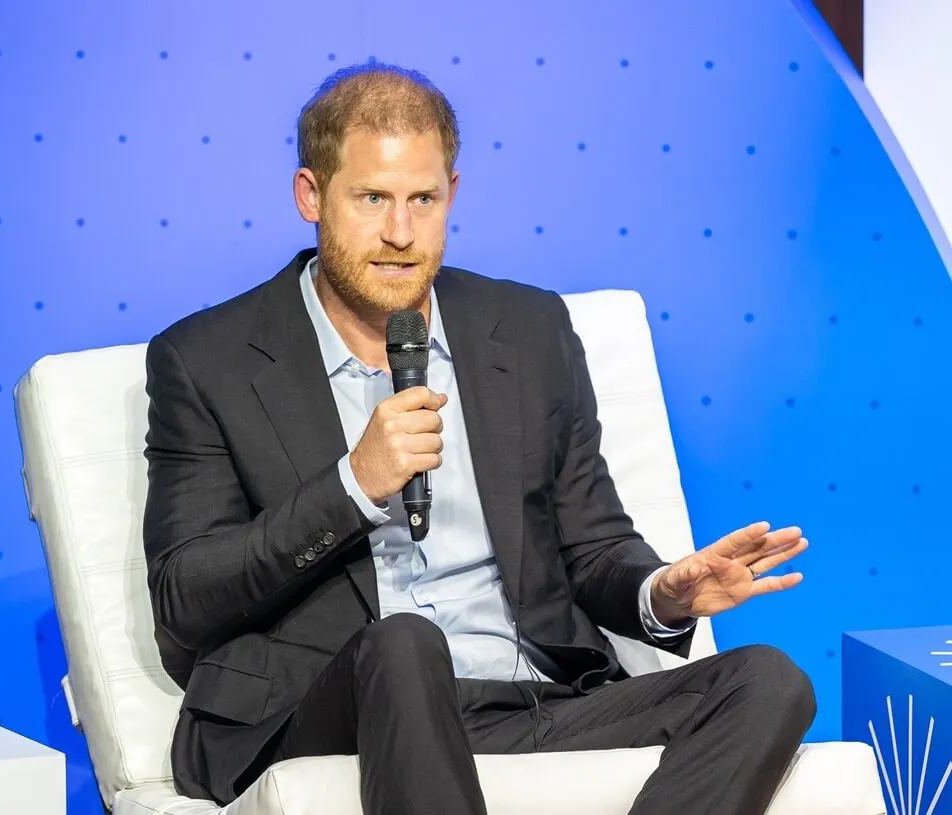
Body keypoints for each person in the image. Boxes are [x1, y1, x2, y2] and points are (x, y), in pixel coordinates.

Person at [142, 63, 815, 815]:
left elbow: (592, 546)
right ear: (311, 197)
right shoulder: (208, 360)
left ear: (451, 196)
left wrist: (662, 594)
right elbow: (183, 599)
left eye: (422, 199)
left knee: (769, 679)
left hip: (531, 698)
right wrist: (352, 486)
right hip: (332, 705)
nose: (400, 233)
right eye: (372, 199)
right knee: (404, 642)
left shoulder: (528, 330)